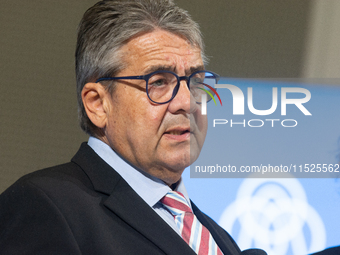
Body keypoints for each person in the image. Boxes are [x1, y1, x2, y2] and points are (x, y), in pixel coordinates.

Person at [0, 0, 242, 254]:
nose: (187, 102)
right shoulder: (44, 206)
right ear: (98, 104)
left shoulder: (219, 238)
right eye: (158, 81)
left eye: (195, 81)